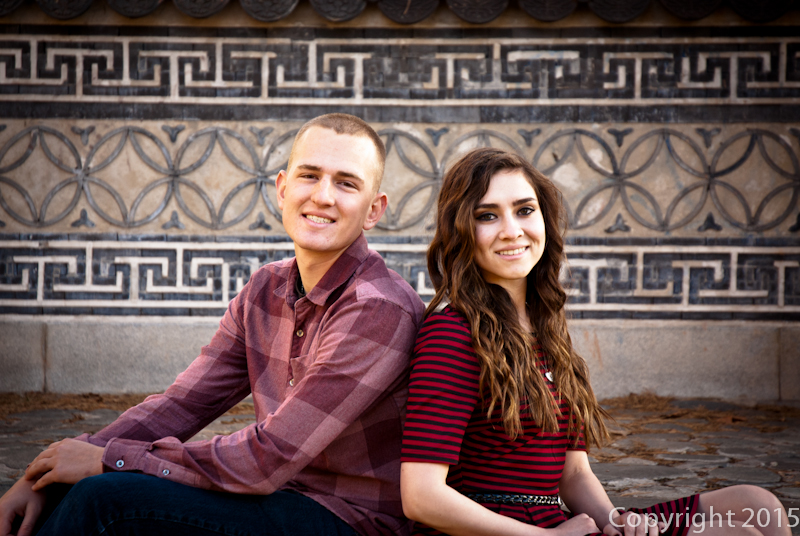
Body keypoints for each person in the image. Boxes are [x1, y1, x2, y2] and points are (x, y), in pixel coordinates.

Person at [0, 113, 425, 536]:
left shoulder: (377, 309)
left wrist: (111, 459)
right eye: (309, 175)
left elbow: (266, 458)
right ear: (282, 189)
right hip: (279, 498)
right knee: (84, 488)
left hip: (351, 520)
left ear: (373, 210)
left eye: (346, 183)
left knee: (104, 499)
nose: (323, 195)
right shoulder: (266, 289)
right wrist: (51, 471)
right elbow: (183, 404)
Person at [399, 147, 789, 536]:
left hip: (553, 522)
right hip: (503, 529)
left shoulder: (545, 329)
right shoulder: (452, 334)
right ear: (461, 231)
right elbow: (421, 497)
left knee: (758, 506)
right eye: (487, 216)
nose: (512, 230)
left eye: (524, 210)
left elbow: (573, 473)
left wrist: (615, 521)